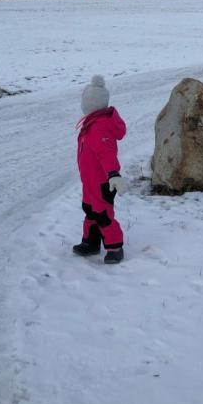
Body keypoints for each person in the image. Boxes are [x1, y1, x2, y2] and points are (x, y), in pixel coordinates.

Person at [73, 75, 128, 264]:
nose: (83, 104)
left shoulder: (99, 127)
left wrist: (113, 174)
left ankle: (115, 247)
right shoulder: (91, 123)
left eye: (86, 101)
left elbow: (107, 153)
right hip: (90, 181)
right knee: (90, 209)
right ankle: (91, 242)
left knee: (103, 213)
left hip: (103, 182)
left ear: (92, 103)